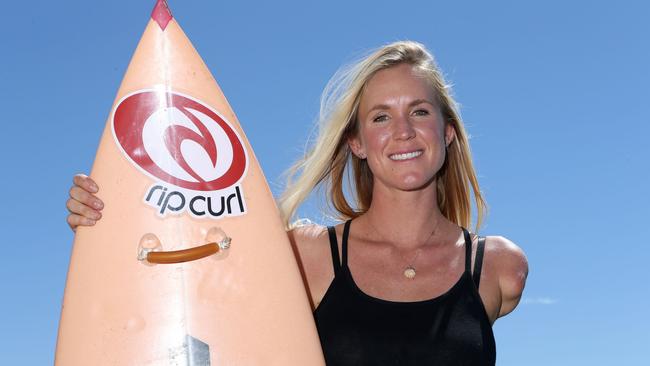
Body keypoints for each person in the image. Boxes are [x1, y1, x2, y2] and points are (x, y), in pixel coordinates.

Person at [67, 41, 528, 365]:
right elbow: (184, 278)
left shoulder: (498, 269)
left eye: (420, 111)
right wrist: (108, 218)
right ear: (357, 143)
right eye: (381, 116)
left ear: (447, 132)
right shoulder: (303, 258)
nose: (403, 131)